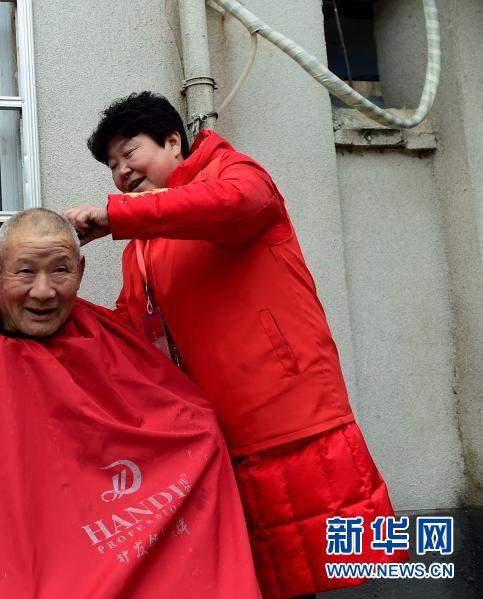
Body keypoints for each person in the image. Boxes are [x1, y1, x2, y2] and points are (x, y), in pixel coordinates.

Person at [63, 91, 406, 598]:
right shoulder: (143, 244)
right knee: (256, 580)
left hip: (286, 418)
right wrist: (55, 306)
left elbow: (235, 204)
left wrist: (118, 216)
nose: (121, 172)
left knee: (308, 579)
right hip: (217, 438)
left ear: (173, 141)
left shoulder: (231, 170)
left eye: (129, 153)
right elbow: (130, 327)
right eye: (111, 165)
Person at [0, 208, 261, 599]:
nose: (43, 291)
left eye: (60, 270)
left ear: (82, 271)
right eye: (24, 272)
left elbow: (186, 424)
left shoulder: (108, 340)